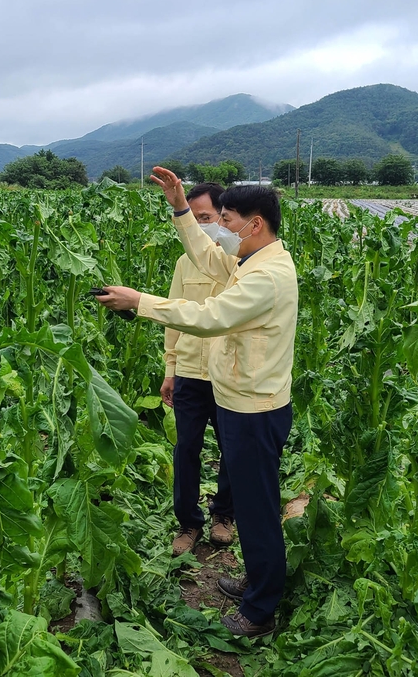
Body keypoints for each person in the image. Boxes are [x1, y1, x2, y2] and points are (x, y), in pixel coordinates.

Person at [96, 167, 298, 639]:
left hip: (255, 409)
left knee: (257, 508)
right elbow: (208, 259)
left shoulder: (266, 277)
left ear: (255, 225)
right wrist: (180, 207)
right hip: (241, 401)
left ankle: (260, 609)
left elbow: (209, 316)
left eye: (227, 220)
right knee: (251, 505)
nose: (221, 230)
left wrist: (139, 302)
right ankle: (259, 581)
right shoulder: (252, 262)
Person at [161, 182, 235, 558]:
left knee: (231, 449)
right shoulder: (184, 262)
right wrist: (170, 367)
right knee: (186, 448)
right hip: (190, 370)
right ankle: (188, 523)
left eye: (204, 217)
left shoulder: (240, 262)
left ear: (223, 218)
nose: (199, 225)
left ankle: (224, 515)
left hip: (227, 374)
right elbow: (173, 316)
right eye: (194, 218)